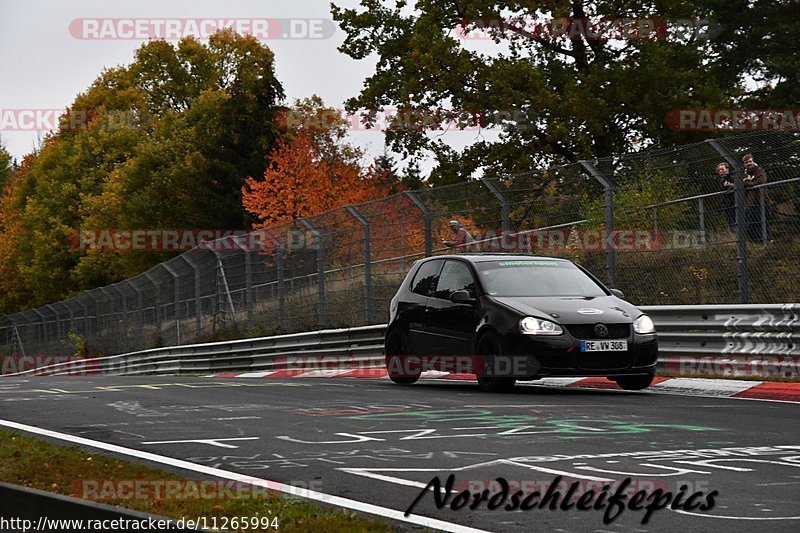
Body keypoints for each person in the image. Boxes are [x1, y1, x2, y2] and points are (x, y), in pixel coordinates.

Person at [742, 153, 772, 242]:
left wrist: (748, 183)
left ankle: (767, 241)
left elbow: (761, 181)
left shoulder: (759, 170)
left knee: (763, 223)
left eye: (750, 161)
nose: (749, 163)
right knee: (751, 226)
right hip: (751, 204)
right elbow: (741, 184)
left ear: (753, 161)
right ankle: (760, 241)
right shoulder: (744, 174)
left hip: (763, 201)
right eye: (747, 162)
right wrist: (748, 183)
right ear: (744, 164)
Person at [716, 162, 736, 231]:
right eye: (719, 170)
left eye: (722, 169)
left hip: (734, 202)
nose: (721, 171)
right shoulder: (721, 180)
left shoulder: (733, 177)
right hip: (727, 204)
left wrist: (730, 185)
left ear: (727, 169)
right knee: (731, 222)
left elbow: (739, 185)